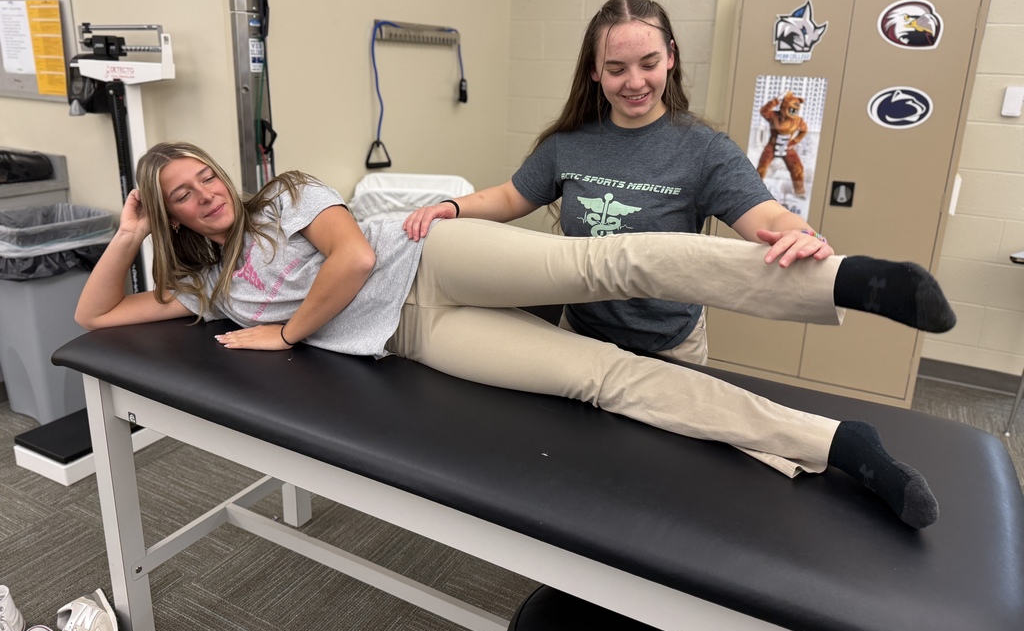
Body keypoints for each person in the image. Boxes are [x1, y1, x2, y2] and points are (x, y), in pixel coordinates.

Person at [76, 142, 956, 528]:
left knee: (605, 264)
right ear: (169, 217)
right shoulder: (204, 286)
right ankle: (841, 444)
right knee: (605, 379)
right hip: (415, 339)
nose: (207, 196)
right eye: (183, 196)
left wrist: (285, 337)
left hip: (435, 264)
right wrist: (125, 236)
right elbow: (96, 317)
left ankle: (849, 279)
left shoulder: (288, 196)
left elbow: (346, 265)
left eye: (206, 178)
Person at [404, 0, 948, 367]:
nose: (634, 81)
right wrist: (450, 209)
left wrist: (797, 230)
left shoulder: (703, 149)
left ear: (671, 59)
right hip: (579, 338)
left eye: (648, 63)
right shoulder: (569, 144)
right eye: (616, 68)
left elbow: (764, 216)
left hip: (671, 346)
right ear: (594, 72)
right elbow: (508, 197)